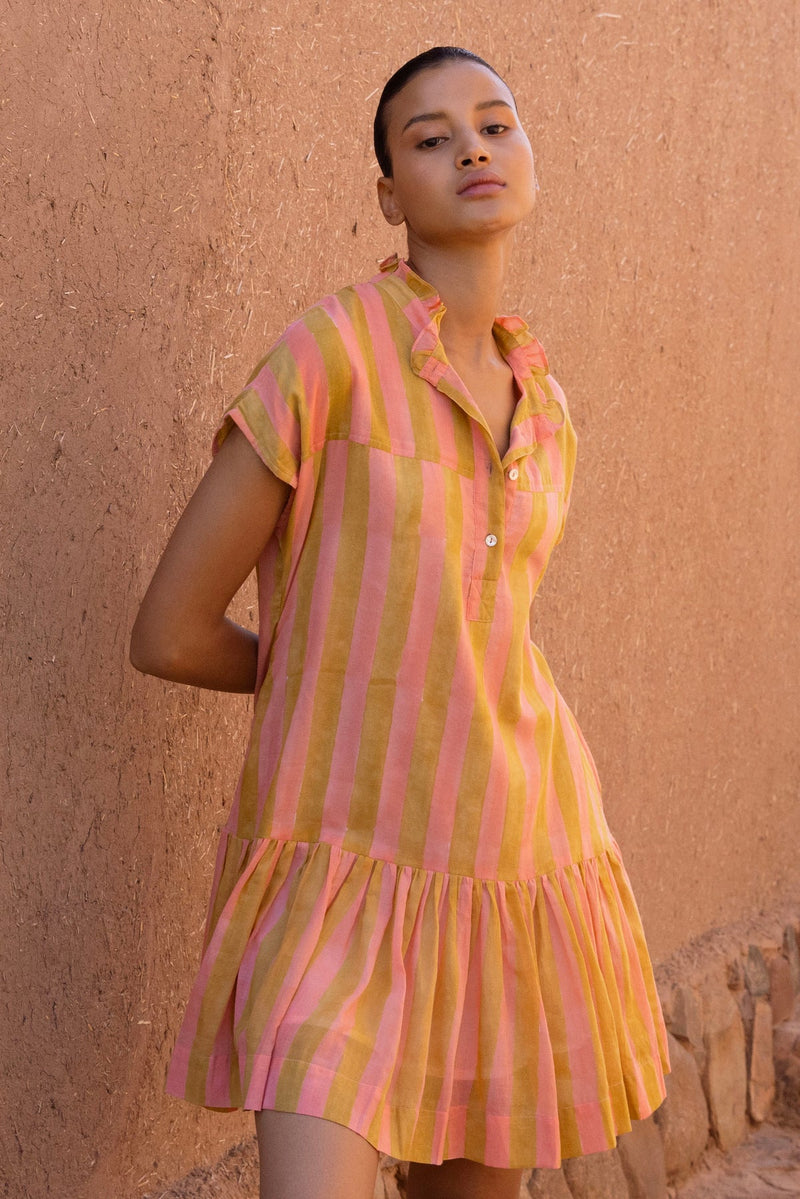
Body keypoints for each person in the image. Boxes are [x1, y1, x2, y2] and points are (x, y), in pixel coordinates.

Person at [131, 46, 668, 1199]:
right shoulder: (328, 355)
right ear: (387, 195)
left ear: (528, 157)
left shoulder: (548, 410)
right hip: (335, 873)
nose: (471, 147)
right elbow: (171, 630)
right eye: (429, 138)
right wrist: (336, 674)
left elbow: (482, 636)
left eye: (494, 124)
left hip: (515, 864)